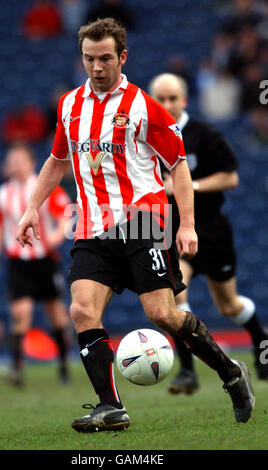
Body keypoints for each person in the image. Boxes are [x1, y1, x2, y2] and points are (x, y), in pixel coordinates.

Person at [16, 18, 255, 432]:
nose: (97, 67)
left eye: (105, 58)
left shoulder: (145, 107)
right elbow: (57, 160)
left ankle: (231, 373)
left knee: (162, 314)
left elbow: (178, 166)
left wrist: (187, 226)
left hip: (143, 223)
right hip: (92, 227)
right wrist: (31, 208)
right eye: (89, 59)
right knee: (80, 309)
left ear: (122, 57)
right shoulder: (70, 105)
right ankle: (111, 407)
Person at [149, 72, 268, 394]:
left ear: (184, 100)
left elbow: (231, 178)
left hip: (212, 228)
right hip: (172, 231)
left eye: (173, 98)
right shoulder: (145, 139)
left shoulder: (204, 134)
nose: (167, 104)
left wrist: (189, 186)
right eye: (160, 98)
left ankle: (261, 341)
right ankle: (188, 372)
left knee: (228, 306)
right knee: (173, 297)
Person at [0, 143, 72, 387]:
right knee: (20, 314)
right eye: (11, 159)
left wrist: (56, 236)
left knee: (56, 315)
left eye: (19, 159)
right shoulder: (2, 194)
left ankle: (64, 366)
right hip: (17, 261)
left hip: (44, 260)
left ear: (31, 162)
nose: (14, 164)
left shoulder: (43, 187)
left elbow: (65, 213)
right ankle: (17, 369)